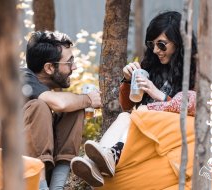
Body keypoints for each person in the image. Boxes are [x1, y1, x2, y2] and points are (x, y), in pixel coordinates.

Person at [70, 11, 197, 188]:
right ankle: (95, 162)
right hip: (143, 128)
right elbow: (128, 106)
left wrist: (156, 93)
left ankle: (105, 158)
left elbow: (194, 108)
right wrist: (128, 81)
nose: (155, 51)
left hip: (170, 133)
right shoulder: (151, 64)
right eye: (151, 44)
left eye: (161, 45)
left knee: (139, 113)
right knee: (125, 116)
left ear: (180, 42)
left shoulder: (197, 71)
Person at [0, 31, 102, 190]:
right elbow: (59, 103)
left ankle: (57, 187)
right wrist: (88, 99)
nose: (75, 67)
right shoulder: (19, 77)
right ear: (49, 68)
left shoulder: (40, 88)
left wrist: (82, 102)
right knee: (40, 107)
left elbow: (65, 105)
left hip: (19, 160)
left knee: (74, 109)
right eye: (69, 62)